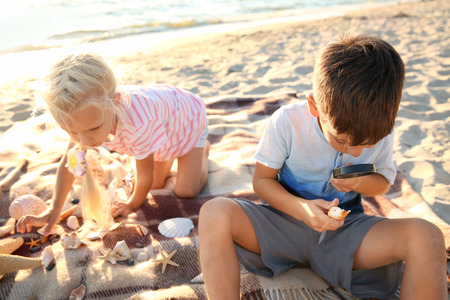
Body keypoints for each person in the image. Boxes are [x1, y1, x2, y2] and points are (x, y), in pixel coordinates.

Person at [198, 35, 447, 299]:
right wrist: (301, 208)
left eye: (367, 144)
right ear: (315, 106)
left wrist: (361, 183)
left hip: (345, 232)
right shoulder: (287, 122)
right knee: (215, 212)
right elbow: (262, 181)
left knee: (427, 237)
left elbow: (383, 182)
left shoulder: (380, 127)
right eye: (342, 139)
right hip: (284, 222)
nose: (355, 152)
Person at [16, 53, 210, 235]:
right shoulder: (81, 120)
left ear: (115, 103)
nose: (85, 141)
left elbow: (145, 177)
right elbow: (70, 165)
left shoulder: (139, 124)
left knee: (186, 191)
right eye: (72, 132)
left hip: (187, 120)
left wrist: (132, 204)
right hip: (160, 127)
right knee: (155, 185)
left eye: (94, 129)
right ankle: (168, 153)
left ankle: (203, 151)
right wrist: (53, 209)